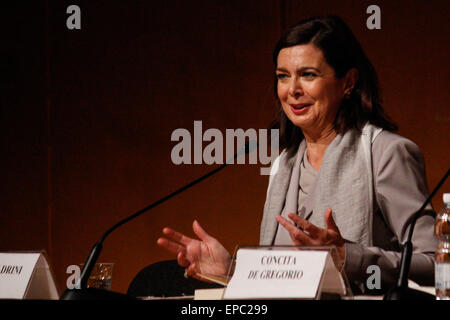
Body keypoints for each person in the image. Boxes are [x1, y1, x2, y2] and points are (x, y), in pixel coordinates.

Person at [157, 16, 437, 294]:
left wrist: (348, 256)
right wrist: (231, 271)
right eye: (283, 77)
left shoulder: (386, 154)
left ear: (348, 82)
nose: (292, 90)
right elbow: (290, 278)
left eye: (308, 75)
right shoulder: (283, 165)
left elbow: (438, 262)